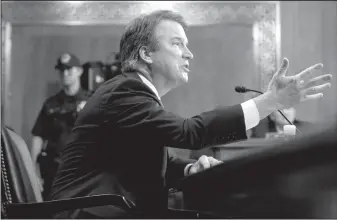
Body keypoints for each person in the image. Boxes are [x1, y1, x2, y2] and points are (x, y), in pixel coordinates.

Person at [50, 10, 332, 218]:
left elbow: (151, 160)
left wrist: (187, 168)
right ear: (146, 53)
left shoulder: (133, 93)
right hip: (83, 213)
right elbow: (189, 132)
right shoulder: (124, 91)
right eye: (177, 43)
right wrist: (269, 102)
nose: (189, 54)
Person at [30, 53, 91, 199]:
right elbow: (38, 137)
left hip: (81, 171)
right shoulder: (51, 104)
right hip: (53, 171)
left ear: (80, 71)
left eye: (69, 69)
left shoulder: (91, 101)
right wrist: (32, 170)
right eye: (62, 70)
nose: (65, 74)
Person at [250, 107, 316, 138]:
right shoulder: (260, 131)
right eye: (280, 109)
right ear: (271, 116)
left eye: (288, 108)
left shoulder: (306, 130)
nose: (285, 112)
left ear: (294, 112)